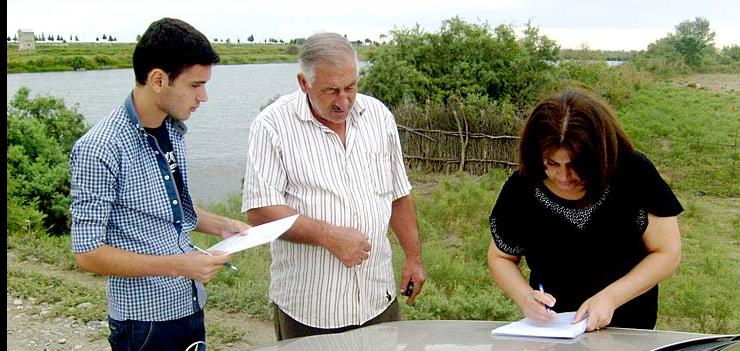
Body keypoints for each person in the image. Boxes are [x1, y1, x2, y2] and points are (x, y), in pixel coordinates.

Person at [69, 18, 249, 350]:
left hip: (189, 306)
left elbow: (171, 206)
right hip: (143, 323)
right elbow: (87, 252)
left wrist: (223, 225)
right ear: (158, 79)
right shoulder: (99, 148)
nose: (204, 97)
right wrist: (181, 265)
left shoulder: (173, 129)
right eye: (195, 85)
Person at [241, 32, 426, 340]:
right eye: (331, 91)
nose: (344, 101)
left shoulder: (378, 116)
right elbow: (260, 211)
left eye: (350, 87)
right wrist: (329, 236)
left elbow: (398, 194)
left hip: (377, 296)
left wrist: (414, 257)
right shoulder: (272, 126)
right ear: (304, 83)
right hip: (311, 308)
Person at [487, 89, 682, 332]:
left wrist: (611, 297)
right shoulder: (523, 187)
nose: (564, 177)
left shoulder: (633, 173)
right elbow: (501, 257)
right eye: (552, 164)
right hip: (554, 332)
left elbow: (667, 252)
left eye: (576, 165)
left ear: (599, 154)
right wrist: (525, 296)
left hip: (629, 328)